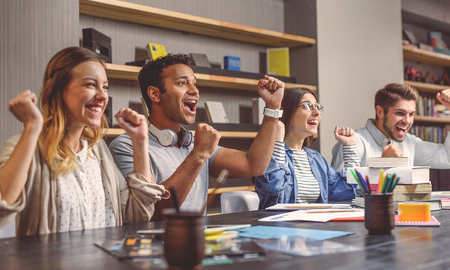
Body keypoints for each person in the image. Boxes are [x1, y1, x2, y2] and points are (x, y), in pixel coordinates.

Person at [0, 47, 168, 237]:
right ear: (58, 90)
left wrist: (140, 141)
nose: (103, 96)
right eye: (90, 85)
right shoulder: (24, 146)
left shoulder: (98, 151)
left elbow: (138, 214)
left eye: (105, 87)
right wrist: (32, 126)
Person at [109, 54, 285, 219]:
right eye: (182, 83)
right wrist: (198, 155)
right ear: (155, 94)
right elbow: (153, 212)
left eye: (195, 84)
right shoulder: (127, 146)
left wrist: (272, 108)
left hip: (195, 244)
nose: (194, 91)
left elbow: (253, 165)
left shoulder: (193, 144)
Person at [254, 87, 358, 209]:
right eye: (307, 106)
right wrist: (277, 140)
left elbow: (349, 190)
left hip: (315, 226)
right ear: (287, 111)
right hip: (281, 226)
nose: (317, 113)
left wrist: (350, 147)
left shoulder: (317, 159)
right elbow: (273, 186)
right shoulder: (268, 155)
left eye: (317, 107)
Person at [331, 83, 450, 170]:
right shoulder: (351, 143)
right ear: (380, 112)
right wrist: (382, 164)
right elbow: (340, 193)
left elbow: (447, 158)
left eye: (411, 114)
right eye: (400, 113)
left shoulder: (411, 143)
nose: (407, 121)